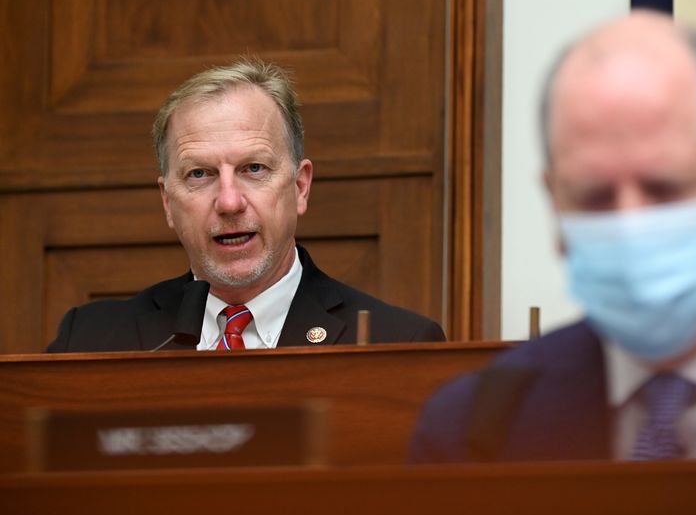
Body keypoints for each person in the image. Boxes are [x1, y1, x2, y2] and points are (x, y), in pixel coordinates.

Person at [411, 11, 696, 462]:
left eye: (665, 189)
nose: (631, 226)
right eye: (594, 196)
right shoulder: (473, 431)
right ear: (555, 205)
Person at [47, 58, 445, 352]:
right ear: (168, 203)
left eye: (253, 168)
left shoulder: (397, 343)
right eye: (199, 174)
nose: (229, 201)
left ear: (300, 187)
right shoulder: (87, 340)